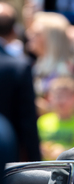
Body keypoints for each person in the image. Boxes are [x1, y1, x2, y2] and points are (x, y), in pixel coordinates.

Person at [0, 2, 41, 162]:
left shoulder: (18, 66)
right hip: (8, 158)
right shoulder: (19, 67)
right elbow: (28, 122)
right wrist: (35, 163)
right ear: (13, 30)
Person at [37, 76, 74, 160]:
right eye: (57, 96)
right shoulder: (42, 121)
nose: (61, 101)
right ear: (49, 97)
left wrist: (65, 152)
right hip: (45, 169)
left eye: (66, 96)